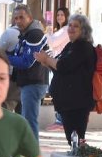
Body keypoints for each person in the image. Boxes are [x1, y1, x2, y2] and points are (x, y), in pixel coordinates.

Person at [34, 14, 96, 146]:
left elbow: (63, 65)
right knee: (72, 138)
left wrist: (47, 59)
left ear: (83, 30)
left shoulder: (83, 46)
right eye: (70, 25)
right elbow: (60, 69)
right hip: (66, 100)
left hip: (77, 101)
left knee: (76, 138)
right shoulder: (71, 45)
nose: (71, 28)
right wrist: (46, 62)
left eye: (76, 26)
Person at [9, 5, 49, 137]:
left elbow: (27, 61)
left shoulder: (35, 34)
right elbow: (18, 56)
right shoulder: (26, 34)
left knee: (30, 122)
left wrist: (5, 57)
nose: (18, 21)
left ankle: (32, 156)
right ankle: (26, 154)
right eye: (16, 18)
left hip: (34, 83)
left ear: (30, 18)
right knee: (25, 121)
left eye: (21, 17)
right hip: (28, 82)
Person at [44, 7, 70, 132]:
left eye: (62, 15)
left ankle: (61, 120)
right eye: (58, 14)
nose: (59, 17)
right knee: (55, 90)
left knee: (57, 90)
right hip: (55, 62)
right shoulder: (60, 30)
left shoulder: (65, 30)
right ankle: (59, 119)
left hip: (60, 63)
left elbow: (53, 43)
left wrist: (47, 33)